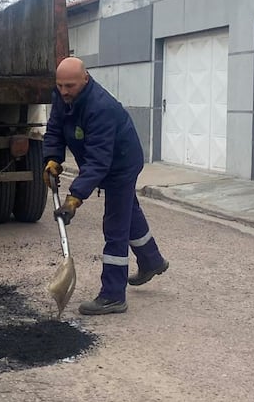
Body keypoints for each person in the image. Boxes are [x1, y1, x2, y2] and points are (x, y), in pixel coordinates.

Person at [43, 57, 169, 315]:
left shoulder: (100, 107)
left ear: (85, 79)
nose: (64, 91)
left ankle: (113, 295)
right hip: (105, 162)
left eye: (70, 86)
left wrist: (74, 198)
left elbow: (99, 160)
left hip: (121, 164)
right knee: (128, 214)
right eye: (60, 86)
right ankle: (152, 261)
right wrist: (52, 159)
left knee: (115, 225)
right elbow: (55, 129)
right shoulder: (62, 98)